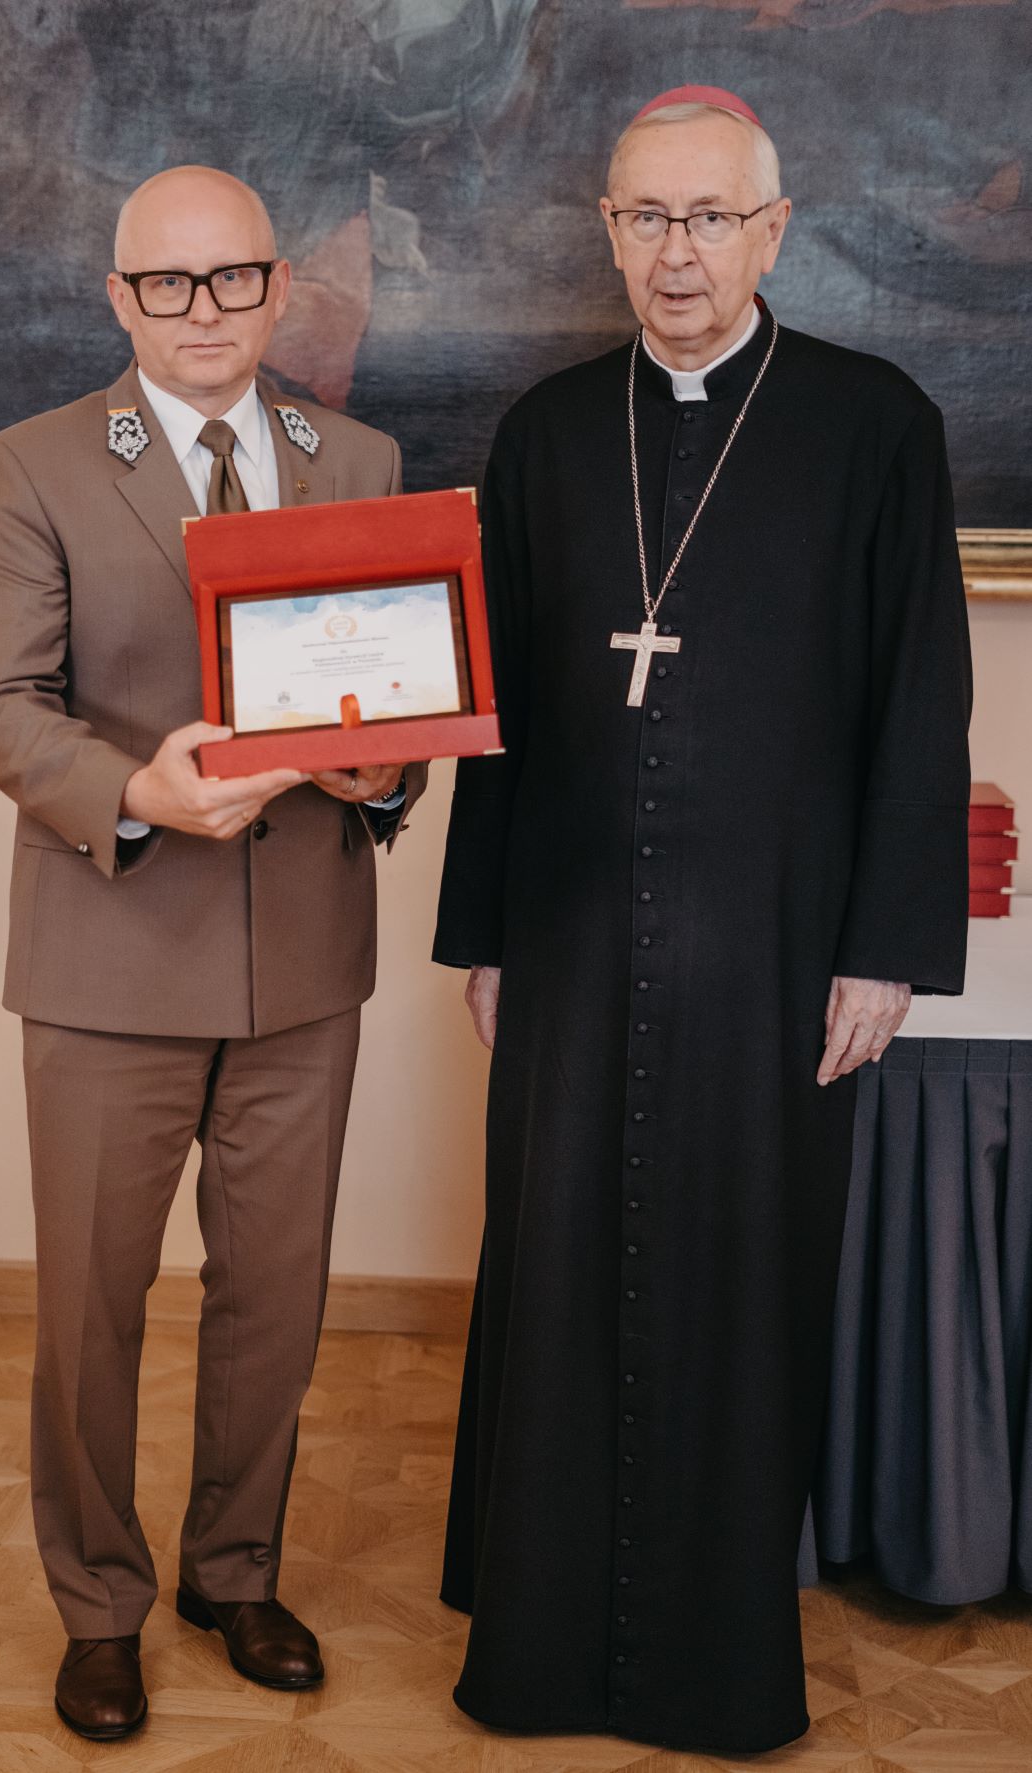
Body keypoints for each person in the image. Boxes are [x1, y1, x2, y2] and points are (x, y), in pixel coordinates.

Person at [432, 86, 971, 1755]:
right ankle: (535, 1651)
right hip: (574, 936)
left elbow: (920, 702)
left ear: (772, 230)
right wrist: (482, 932)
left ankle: (709, 1670)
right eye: (642, 220)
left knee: (740, 1280)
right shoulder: (541, 432)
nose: (675, 255)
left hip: (776, 945)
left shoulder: (872, 421)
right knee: (562, 1260)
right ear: (604, 232)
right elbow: (491, 702)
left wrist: (886, 943)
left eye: (708, 219)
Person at [0, 166, 425, 1742]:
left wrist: (385, 767)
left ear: (279, 290)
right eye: (170, 284)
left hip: (304, 966)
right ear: (119, 300)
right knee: (91, 1307)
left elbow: (385, 700)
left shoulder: (354, 458)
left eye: (234, 280)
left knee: (274, 1299)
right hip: (106, 960)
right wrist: (131, 792)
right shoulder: (28, 466)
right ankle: (99, 1600)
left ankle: (236, 1568)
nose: (205, 310)